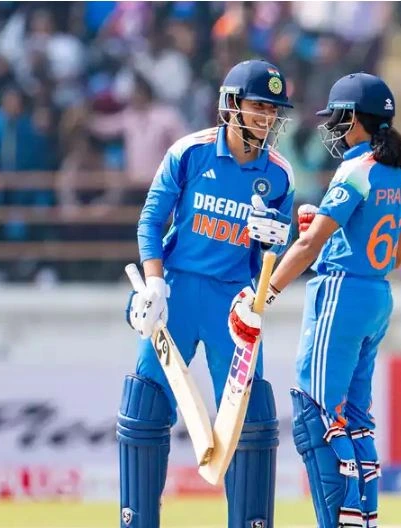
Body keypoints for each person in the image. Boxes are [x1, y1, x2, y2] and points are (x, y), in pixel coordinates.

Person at [228, 72, 401, 528]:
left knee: (316, 417)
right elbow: (398, 252)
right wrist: (330, 232)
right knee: (355, 419)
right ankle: (362, 519)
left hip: (342, 293)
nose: (332, 128)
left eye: (337, 119)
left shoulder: (356, 169)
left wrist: (262, 295)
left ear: (354, 120)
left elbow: (308, 247)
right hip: (377, 296)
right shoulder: (396, 176)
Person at [118, 59, 295, 528]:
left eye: (273, 109)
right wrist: (153, 283)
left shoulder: (278, 175)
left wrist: (272, 241)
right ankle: (137, 519)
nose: (266, 117)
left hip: (233, 305)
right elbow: (151, 220)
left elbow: (274, 254)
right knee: (146, 405)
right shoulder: (189, 153)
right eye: (258, 105)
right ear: (231, 105)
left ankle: (251, 522)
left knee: (250, 417)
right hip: (176, 292)